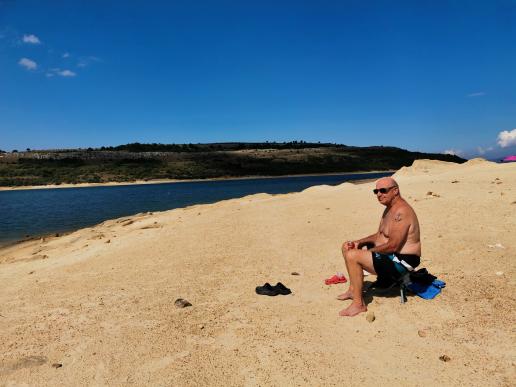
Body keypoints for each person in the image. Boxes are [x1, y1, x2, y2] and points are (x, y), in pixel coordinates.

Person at [338, 177, 421, 317]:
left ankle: (359, 305)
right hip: (392, 255)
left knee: (353, 256)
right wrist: (358, 243)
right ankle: (353, 290)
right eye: (376, 191)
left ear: (395, 191)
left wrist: (366, 252)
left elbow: (393, 245)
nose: (379, 194)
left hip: (403, 261)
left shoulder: (401, 212)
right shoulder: (389, 209)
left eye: (383, 190)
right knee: (347, 247)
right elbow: (379, 236)